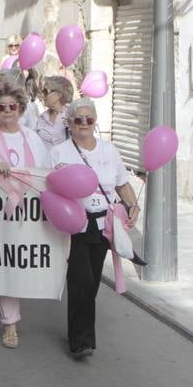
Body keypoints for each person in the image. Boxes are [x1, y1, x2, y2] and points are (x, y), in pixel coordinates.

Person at [49, 99, 140, 359]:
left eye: (89, 119)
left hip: (104, 225)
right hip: (75, 223)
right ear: (70, 124)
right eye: (79, 120)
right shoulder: (59, 152)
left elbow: (122, 184)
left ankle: (79, 330)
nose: (85, 124)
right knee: (81, 280)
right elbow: (48, 186)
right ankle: (81, 341)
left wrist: (133, 205)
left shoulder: (110, 151)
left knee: (92, 283)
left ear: (95, 121)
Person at [0, 82, 53, 349]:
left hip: (29, 214)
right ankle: (10, 324)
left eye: (12, 106)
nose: (7, 111)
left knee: (25, 262)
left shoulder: (32, 138)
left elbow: (46, 172)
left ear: (20, 108)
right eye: (1, 107)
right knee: (6, 264)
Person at [34, 75, 75, 147]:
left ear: (59, 94)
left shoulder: (73, 115)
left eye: (46, 91)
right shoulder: (42, 118)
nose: (42, 95)